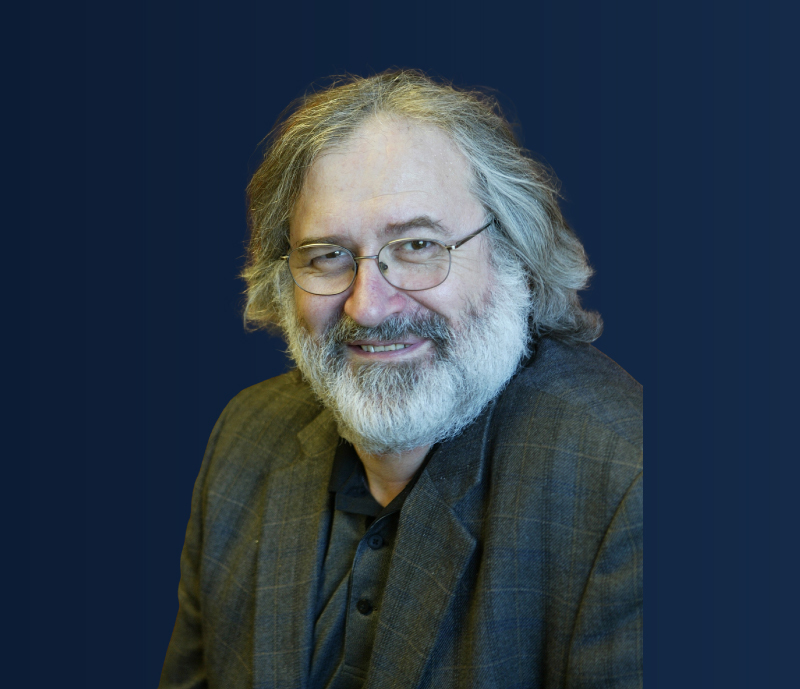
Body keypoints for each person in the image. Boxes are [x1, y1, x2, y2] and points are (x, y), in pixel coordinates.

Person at [159, 70, 643, 689]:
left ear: (513, 253)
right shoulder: (247, 437)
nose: (367, 307)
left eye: (417, 246)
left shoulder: (628, 483)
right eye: (327, 256)